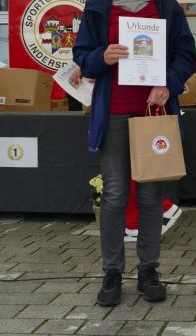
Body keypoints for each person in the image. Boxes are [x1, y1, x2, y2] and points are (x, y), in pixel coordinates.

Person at [73, 0, 195, 307]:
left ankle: (148, 270)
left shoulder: (165, 4)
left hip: (152, 113)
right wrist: (103, 56)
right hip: (113, 111)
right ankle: (112, 272)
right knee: (114, 194)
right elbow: (82, 55)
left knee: (150, 195)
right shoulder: (98, 5)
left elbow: (185, 54)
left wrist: (167, 84)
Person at [69, 67, 183, 243]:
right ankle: (143, 219)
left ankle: (151, 215)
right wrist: (92, 68)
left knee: (128, 170)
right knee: (128, 169)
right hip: (126, 97)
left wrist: (94, 69)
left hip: (138, 96)